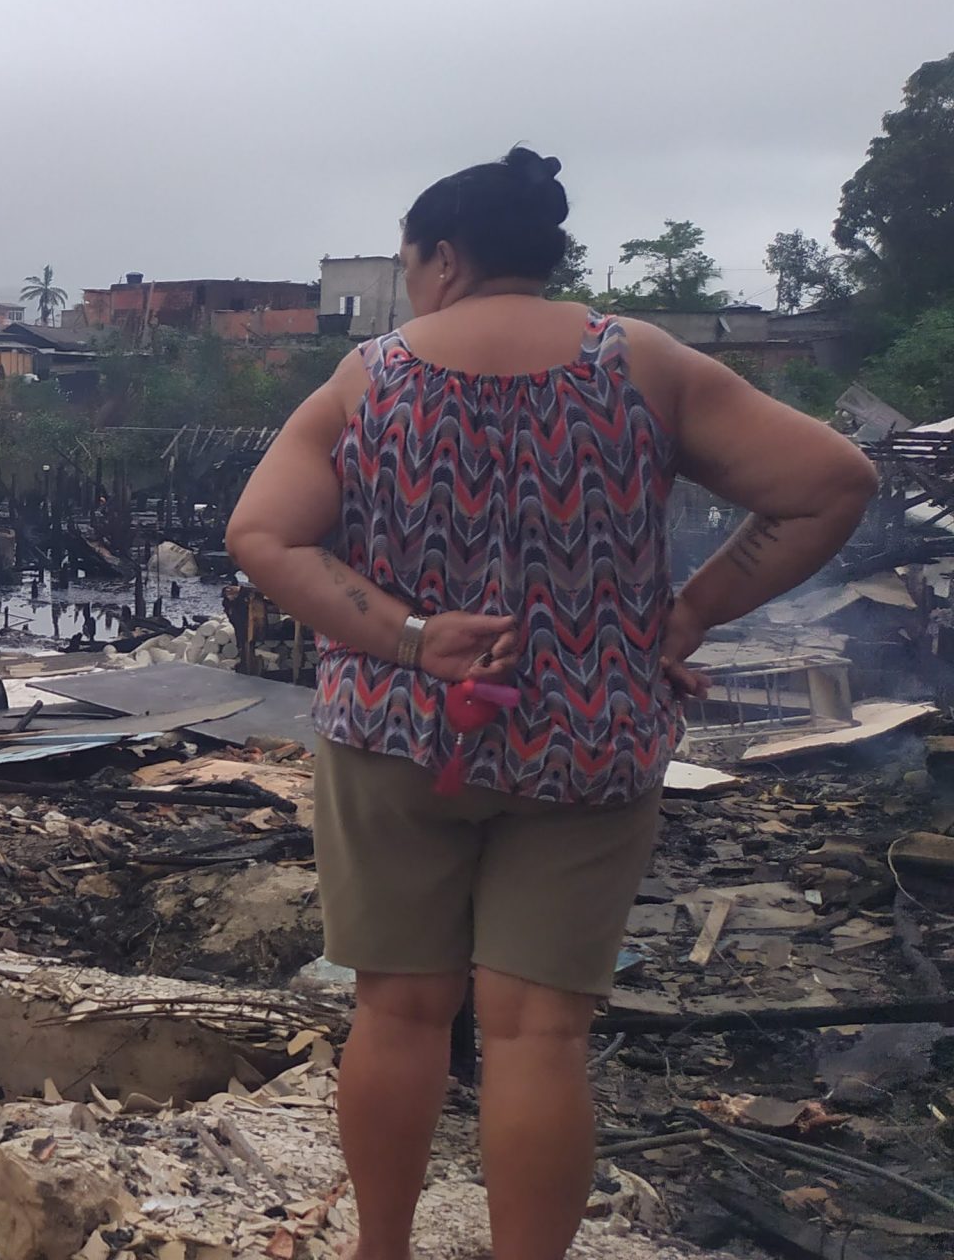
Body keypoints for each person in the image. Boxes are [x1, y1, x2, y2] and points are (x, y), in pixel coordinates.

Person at [226, 147, 877, 1260]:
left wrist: (410, 637)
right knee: (537, 1036)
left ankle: (380, 1251)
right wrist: (688, 613)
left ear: (444, 256)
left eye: (406, 260)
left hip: (397, 736)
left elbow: (262, 536)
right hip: (591, 739)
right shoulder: (645, 363)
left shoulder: (366, 376)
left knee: (395, 1011)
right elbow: (832, 483)